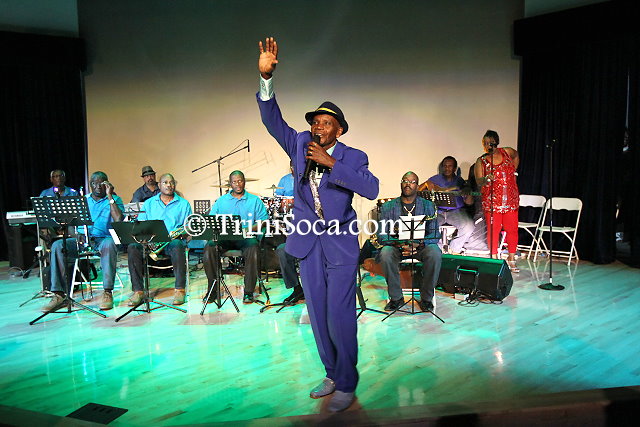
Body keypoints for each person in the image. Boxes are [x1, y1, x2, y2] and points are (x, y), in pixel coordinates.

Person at [257, 37, 379, 412]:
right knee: (317, 313)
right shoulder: (298, 144)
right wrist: (266, 80)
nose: (318, 127)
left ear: (338, 130)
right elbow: (272, 121)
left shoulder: (353, 156)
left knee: (340, 314)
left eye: (326, 123)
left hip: (340, 244)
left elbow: (372, 189)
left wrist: (331, 164)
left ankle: (347, 382)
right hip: (307, 244)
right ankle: (331, 373)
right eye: (315, 122)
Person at [42, 172, 124, 312]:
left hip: (102, 240)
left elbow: (118, 220)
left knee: (109, 243)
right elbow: (70, 224)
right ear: (90, 184)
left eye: (101, 183)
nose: (98, 186)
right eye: (94, 183)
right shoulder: (82, 199)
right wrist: (76, 235)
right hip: (81, 240)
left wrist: (110, 197)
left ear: (107, 184)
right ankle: (59, 294)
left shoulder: (115, 199)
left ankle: (107, 292)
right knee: (58, 245)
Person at [377, 172, 442, 311]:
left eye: (412, 182)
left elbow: (435, 234)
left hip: (421, 246)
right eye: (405, 181)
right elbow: (382, 235)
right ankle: (396, 298)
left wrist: (420, 243)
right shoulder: (388, 207)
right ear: (401, 184)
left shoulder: (428, 206)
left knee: (435, 253)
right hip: (397, 246)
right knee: (385, 253)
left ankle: (426, 299)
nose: (408, 184)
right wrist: (399, 244)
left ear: (417, 186)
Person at [203, 170, 269, 303]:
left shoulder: (255, 200)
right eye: (234, 182)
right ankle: (213, 290)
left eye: (240, 181)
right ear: (230, 183)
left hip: (245, 237)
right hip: (225, 237)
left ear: (244, 182)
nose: (237, 184)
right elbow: (211, 220)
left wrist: (247, 229)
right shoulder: (221, 201)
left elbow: (263, 221)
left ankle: (249, 292)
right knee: (209, 247)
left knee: (253, 246)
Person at [127, 173, 192, 306]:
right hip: (151, 242)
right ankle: (138, 291)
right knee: (133, 247)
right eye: (165, 182)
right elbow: (141, 225)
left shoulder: (184, 204)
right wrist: (146, 240)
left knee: (177, 244)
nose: (169, 185)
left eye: (171, 182)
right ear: (159, 185)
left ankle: (180, 289)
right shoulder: (149, 203)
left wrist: (183, 233)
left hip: (172, 242)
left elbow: (189, 228)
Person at [474, 130, 520, 272]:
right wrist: (486, 179)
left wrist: (514, 170)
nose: (488, 146)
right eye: (486, 143)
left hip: (510, 200)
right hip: (492, 202)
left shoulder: (507, 152)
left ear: (496, 142)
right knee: (493, 231)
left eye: (491, 143)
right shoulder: (481, 161)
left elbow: (516, 155)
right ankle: (494, 259)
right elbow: (479, 181)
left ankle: (511, 259)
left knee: (512, 230)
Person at [419, 156, 474, 253]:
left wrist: (468, 190)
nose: (447, 168)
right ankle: (439, 250)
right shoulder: (435, 179)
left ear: (454, 168)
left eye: (450, 166)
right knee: (426, 226)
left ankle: (454, 249)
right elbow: (417, 190)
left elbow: (469, 202)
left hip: (456, 212)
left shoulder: (460, 181)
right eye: (445, 166)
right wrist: (426, 184)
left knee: (469, 226)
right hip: (438, 212)